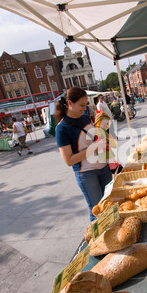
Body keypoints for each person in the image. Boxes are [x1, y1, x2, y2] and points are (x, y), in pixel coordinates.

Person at [55, 87, 112, 222]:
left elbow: (93, 140)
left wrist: (103, 143)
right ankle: (98, 241)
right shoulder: (62, 128)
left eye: (85, 104)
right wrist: (93, 148)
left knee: (110, 205)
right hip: (86, 173)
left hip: (104, 168)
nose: (84, 108)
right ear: (69, 103)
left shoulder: (86, 118)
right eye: (81, 105)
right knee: (97, 210)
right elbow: (69, 160)